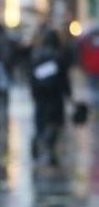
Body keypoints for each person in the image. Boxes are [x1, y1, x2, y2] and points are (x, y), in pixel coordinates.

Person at [29, 29, 71, 166]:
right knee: (55, 121)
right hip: (55, 95)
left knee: (40, 118)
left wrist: (34, 91)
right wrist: (68, 94)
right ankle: (48, 143)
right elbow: (64, 78)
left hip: (40, 95)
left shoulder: (36, 55)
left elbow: (31, 76)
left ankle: (39, 138)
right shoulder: (59, 56)